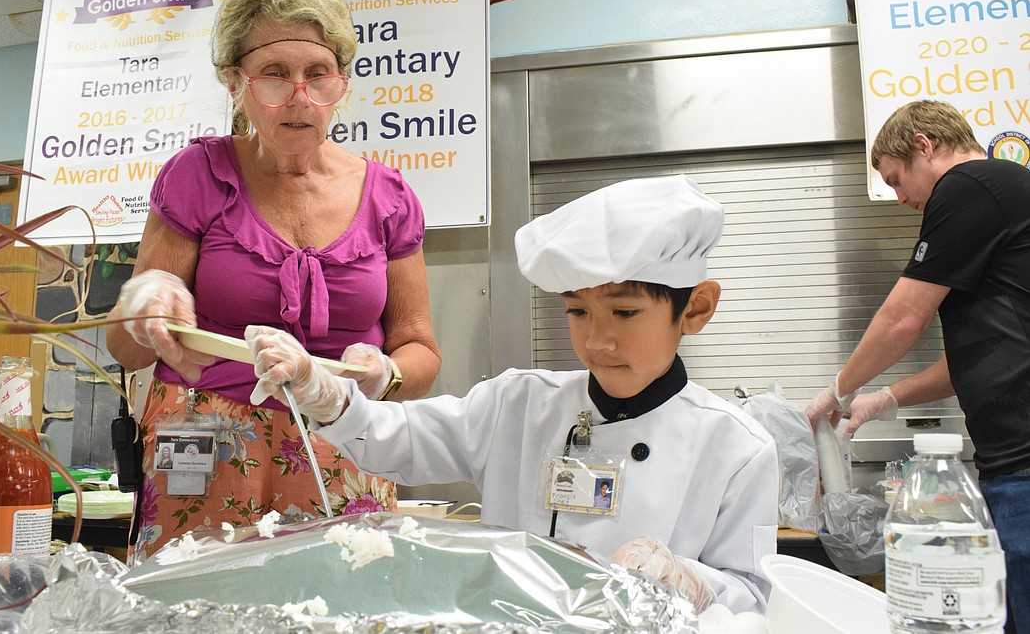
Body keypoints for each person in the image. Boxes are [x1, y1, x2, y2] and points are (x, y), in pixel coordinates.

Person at [246, 175, 779, 614]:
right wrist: (329, 397)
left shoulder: (736, 448)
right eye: (577, 312)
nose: (597, 340)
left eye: (625, 312)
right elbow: (401, 440)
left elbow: (753, 597)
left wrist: (687, 579)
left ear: (697, 309)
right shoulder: (519, 403)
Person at [105, 0, 441, 561]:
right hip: (204, 443)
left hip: (343, 435)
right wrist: (143, 306)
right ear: (235, 83)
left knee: (343, 608)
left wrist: (386, 374)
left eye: (319, 73)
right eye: (274, 74)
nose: (300, 97)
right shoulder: (198, 176)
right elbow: (125, 348)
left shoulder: (389, 198)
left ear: (343, 80)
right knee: (194, 611)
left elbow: (419, 347)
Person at [805, 100, 1030, 634]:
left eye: (897, 179)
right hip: (1013, 464)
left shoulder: (970, 185)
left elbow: (903, 319)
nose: (900, 197)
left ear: (925, 145)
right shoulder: (1002, 194)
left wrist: (838, 389)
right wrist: (885, 399)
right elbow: (979, 357)